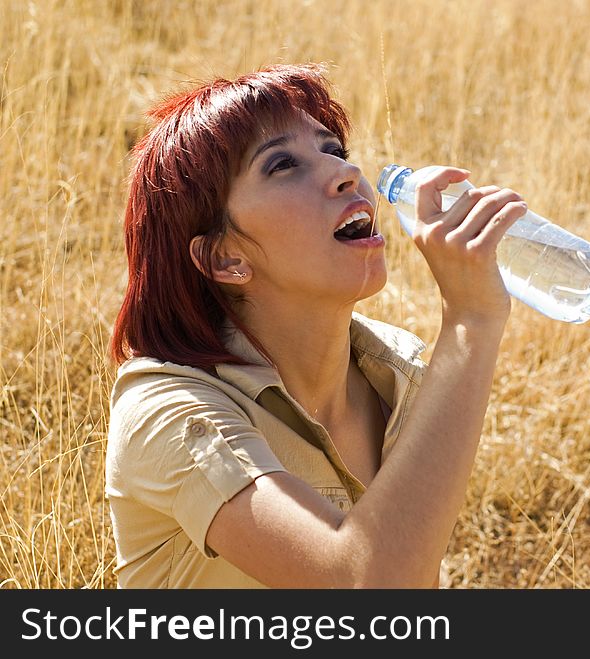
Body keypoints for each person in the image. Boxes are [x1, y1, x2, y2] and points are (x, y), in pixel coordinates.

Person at [106, 63, 528, 588]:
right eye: (282, 165)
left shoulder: (402, 372)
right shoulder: (169, 414)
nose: (345, 173)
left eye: (334, 151)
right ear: (224, 259)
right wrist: (471, 319)